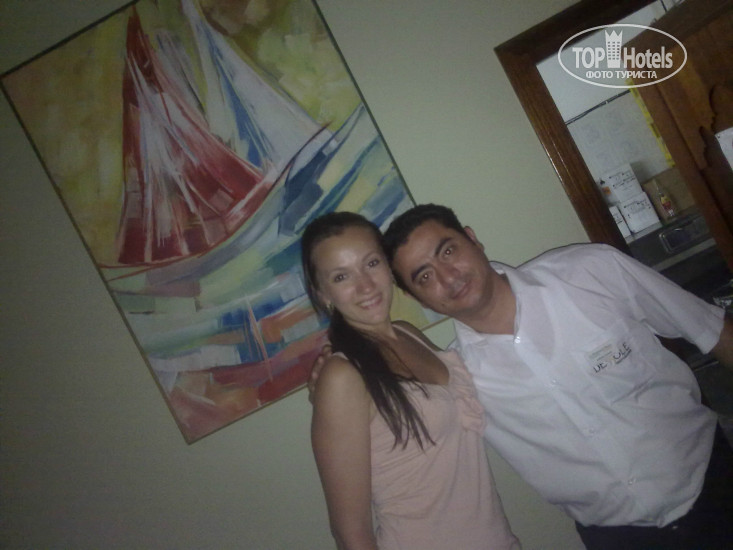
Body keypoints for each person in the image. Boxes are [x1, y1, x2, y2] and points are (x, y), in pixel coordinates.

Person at [376, 203, 733, 550]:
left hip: (716, 483)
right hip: (620, 539)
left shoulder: (590, 272)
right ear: (419, 299)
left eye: (448, 251)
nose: (448, 277)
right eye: (424, 276)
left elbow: (711, 330)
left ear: (472, 238)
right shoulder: (460, 380)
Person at [301, 211, 520, 550]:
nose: (365, 286)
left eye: (371, 263)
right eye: (342, 276)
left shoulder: (408, 334)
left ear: (389, 267)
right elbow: (350, 533)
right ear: (323, 294)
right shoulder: (342, 377)